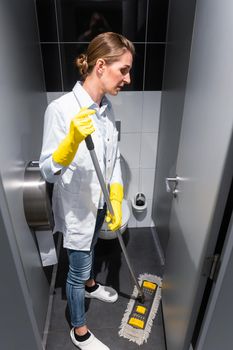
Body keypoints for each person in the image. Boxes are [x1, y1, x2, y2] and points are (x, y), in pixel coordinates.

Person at [39, 32, 134, 350]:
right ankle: (79, 331)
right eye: (124, 69)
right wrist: (69, 143)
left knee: (92, 249)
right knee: (76, 271)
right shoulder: (61, 110)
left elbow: (114, 159)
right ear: (102, 66)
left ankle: (92, 284)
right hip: (78, 208)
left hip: (101, 206)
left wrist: (117, 197)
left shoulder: (106, 110)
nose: (128, 78)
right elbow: (48, 170)